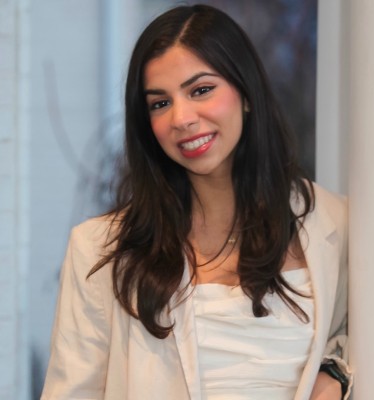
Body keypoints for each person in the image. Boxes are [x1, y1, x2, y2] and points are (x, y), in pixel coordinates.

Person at [41, 4, 352, 400]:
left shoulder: (336, 224)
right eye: (160, 103)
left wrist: (336, 372)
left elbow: (362, 340)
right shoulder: (99, 250)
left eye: (200, 90)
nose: (181, 118)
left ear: (246, 93)